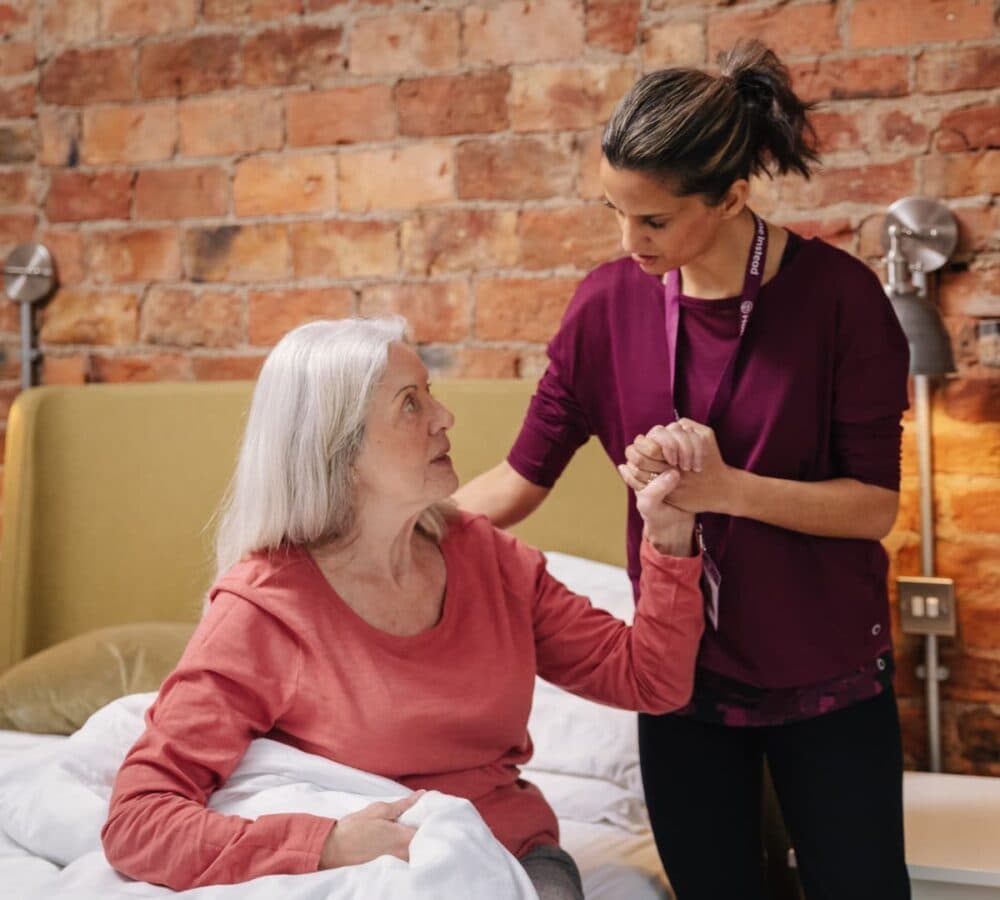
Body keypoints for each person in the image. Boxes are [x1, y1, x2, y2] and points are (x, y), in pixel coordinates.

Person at [454, 40, 912, 900]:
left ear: (732, 196)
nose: (628, 242)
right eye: (614, 213)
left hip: (829, 681)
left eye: (653, 220)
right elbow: (516, 483)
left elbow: (872, 509)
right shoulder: (604, 306)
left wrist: (725, 489)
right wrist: (376, 533)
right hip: (682, 690)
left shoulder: (842, 300)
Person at [100, 316, 705, 898]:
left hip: (509, 855)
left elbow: (650, 681)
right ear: (340, 447)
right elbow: (138, 820)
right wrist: (329, 844)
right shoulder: (265, 607)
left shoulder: (488, 559)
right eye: (411, 403)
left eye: (430, 395)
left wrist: (669, 536)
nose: (445, 417)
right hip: (358, 873)